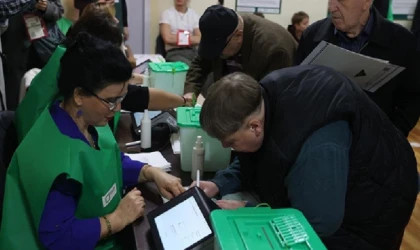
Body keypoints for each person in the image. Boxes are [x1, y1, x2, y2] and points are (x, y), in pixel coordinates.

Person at [193, 66, 418, 249]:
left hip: (377, 202)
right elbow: (256, 157)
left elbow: (317, 223)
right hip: (342, 181)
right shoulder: (261, 99)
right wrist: (218, 183)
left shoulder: (315, 149)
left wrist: (248, 214)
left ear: (254, 126)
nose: (226, 146)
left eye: (230, 141)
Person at [0, 32, 185, 250]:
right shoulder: (59, 163)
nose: (117, 108)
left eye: (121, 98)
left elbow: (106, 162)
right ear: (79, 95)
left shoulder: (87, 120)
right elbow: (57, 238)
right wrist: (116, 219)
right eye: (110, 101)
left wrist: (151, 172)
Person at [15, 3, 187, 143]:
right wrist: (183, 101)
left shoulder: (69, 51)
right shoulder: (83, 68)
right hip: (40, 145)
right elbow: (135, 96)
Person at [296, 0, 420, 137]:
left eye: (341, 1)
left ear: (366, 2)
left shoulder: (402, 41)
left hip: (376, 143)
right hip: (322, 140)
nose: (332, 7)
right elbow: (298, 89)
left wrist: (392, 135)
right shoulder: (311, 36)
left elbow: (412, 98)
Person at [183, 5, 296, 100]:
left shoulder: (274, 50)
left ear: (238, 35)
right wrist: (190, 93)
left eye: (220, 51)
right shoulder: (221, 30)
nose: (217, 54)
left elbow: (271, 98)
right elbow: (200, 64)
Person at [159, 0, 201, 65]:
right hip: (174, 53)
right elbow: (168, 38)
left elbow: (199, 38)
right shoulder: (166, 14)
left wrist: (176, 37)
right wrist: (191, 38)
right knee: (191, 68)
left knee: (208, 67)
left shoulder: (194, 15)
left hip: (192, 51)